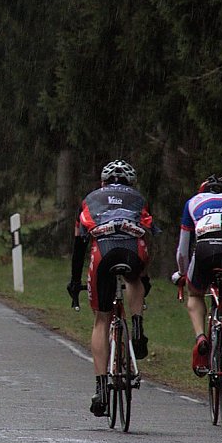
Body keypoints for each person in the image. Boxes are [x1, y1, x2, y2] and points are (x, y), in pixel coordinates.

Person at [67, 159, 157, 417]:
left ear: (103, 182)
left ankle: (101, 390)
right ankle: (137, 327)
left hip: (103, 252)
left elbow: (79, 247)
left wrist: (75, 283)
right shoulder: (138, 198)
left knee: (101, 320)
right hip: (132, 250)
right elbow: (146, 232)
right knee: (135, 280)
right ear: (131, 182)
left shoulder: (90, 199)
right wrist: (145, 277)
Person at [175, 174, 222, 397]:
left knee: (195, 295)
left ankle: (201, 337)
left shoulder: (193, 203)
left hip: (206, 249)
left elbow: (183, 250)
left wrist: (182, 274)